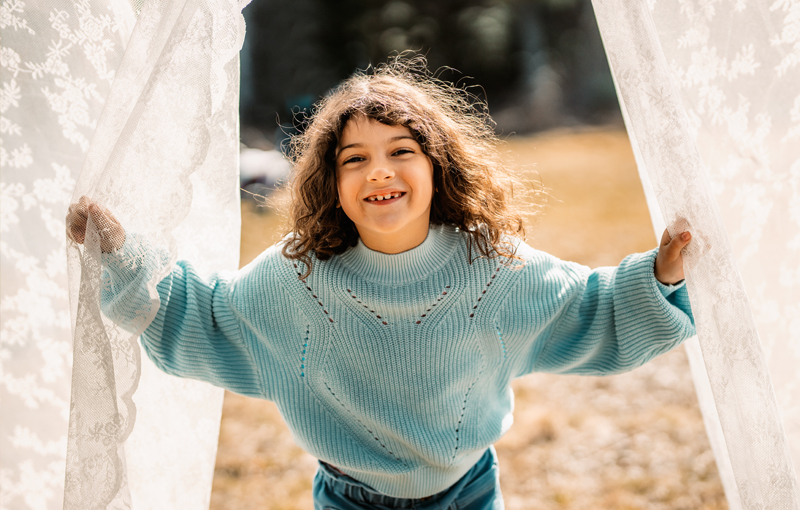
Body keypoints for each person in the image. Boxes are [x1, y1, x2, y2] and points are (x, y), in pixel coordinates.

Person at [66, 57, 695, 510]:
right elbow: (204, 315)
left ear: (436, 166)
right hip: (347, 498)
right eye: (355, 159)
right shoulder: (297, 278)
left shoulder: (493, 269)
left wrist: (661, 276)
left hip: (467, 493)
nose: (379, 171)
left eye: (401, 150)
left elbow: (592, 309)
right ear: (332, 185)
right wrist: (121, 253)